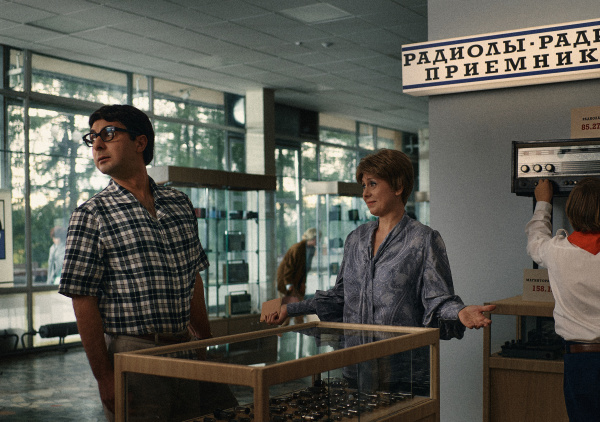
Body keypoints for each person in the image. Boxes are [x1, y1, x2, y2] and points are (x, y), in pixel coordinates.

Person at [58, 104, 234, 421]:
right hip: (134, 353)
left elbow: (193, 277)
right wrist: (104, 376)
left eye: (108, 133)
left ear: (140, 142)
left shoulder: (179, 203)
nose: (97, 144)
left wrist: (204, 342)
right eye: (93, 137)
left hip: (184, 346)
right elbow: (83, 300)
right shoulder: (92, 214)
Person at [265, 149, 495, 389]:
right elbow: (340, 297)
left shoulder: (423, 239)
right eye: (363, 185)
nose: (365, 193)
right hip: (354, 367)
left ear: (398, 186)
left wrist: (460, 311)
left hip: (403, 374)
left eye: (373, 184)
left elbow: (437, 299)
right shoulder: (355, 239)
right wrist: (290, 308)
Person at [526, 178, 600, 421]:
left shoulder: (556, 251)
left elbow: (536, 239)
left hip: (581, 360)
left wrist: (543, 202)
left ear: (571, 211)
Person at [276, 227, 318, 325]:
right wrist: (288, 285)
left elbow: (305, 269)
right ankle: (282, 331)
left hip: (297, 282)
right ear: (312, 238)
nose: (318, 241)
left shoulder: (311, 249)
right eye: (317, 238)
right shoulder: (297, 248)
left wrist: (303, 283)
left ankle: (299, 329)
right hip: (286, 281)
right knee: (285, 311)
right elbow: (288, 267)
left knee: (299, 308)